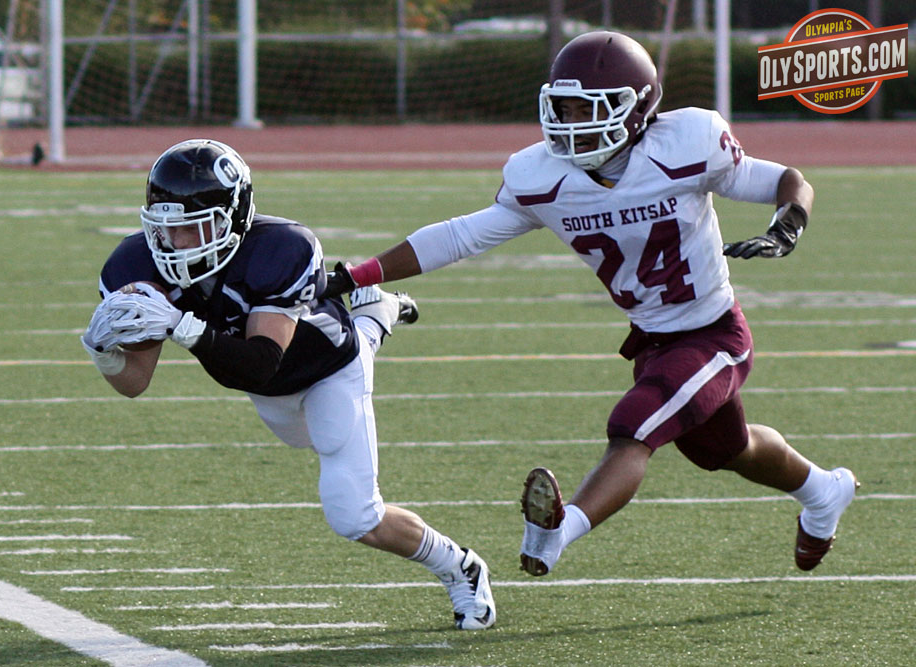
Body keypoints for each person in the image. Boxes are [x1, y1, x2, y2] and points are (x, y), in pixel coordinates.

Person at [321, 31, 857, 575]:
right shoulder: (542, 176)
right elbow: (458, 236)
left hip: (714, 335)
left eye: (589, 109)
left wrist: (787, 225)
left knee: (634, 427)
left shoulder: (686, 144)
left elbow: (788, 181)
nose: (573, 123)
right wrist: (356, 275)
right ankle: (822, 490)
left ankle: (560, 531)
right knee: (728, 451)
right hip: (653, 339)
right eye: (565, 109)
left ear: (637, 108)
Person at [80, 139, 495, 629]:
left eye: (193, 227)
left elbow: (262, 362)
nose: (178, 242)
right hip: (265, 390)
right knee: (304, 437)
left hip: (326, 370)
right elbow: (134, 383)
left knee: (354, 514)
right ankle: (376, 310)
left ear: (233, 218)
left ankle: (461, 567)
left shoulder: (279, 248)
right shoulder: (136, 264)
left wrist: (181, 325)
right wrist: (102, 351)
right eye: (166, 228)